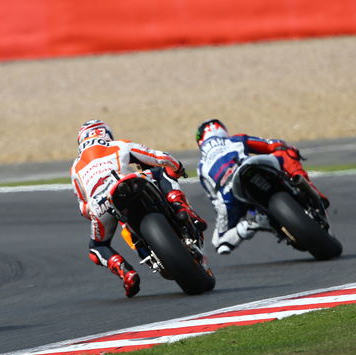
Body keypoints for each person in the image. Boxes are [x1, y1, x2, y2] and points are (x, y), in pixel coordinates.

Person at [71, 120, 206, 298]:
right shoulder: (119, 145)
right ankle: (181, 207)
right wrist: (178, 167)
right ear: (105, 134)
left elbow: (83, 208)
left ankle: (126, 273)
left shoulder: (76, 168)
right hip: (130, 181)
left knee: (97, 247)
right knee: (163, 170)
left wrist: (98, 211)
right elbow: (161, 157)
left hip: (100, 202)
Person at [196, 119, 329, 255]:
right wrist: (284, 149)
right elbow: (272, 145)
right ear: (222, 130)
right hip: (249, 165)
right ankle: (310, 190)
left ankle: (251, 224)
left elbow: (215, 200)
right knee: (286, 150)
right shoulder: (236, 139)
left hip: (229, 192)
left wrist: (230, 217)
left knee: (219, 243)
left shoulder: (201, 167)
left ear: (200, 141)